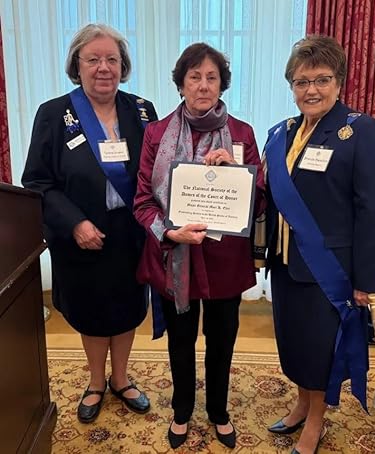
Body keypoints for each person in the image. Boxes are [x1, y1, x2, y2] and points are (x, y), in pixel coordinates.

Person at [264, 35, 375, 454]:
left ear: (339, 81)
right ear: (292, 86)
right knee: (296, 343)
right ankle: (302, 404)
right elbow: (269, 193)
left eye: (321, 79)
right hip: (286, 264)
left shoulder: (360, 131)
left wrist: (365, 279)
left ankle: (316, 421)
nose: (311, 90)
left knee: (321, 349)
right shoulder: (283, 133)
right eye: (301, 82)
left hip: (330, 272)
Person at [22, 24, 158, 424]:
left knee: (129, 308)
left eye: (112, 59)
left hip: (129, 233)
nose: (104, 67)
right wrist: (74, 223)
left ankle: (121, 378)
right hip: (82, 236)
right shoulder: (53, 114)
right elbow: (38, 182)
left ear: (123, 66)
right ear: (76, 66)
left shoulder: (143, 110)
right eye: (93, 59)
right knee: (92, 311)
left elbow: (160, 169)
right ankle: (96, 381)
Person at [133, 42, 265, 450]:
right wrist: (169, 233)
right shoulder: (156, 133)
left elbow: (259, 200)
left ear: (222, 84)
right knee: (180, 340)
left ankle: (219, 411)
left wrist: (240, 174)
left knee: (222, 340)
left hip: (225, 261)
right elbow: (142, 200)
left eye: (211, 77)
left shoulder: (242, 134)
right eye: (195, 77)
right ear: (181, 84)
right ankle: (182, 409)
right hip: (175, 256)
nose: (203, 85)